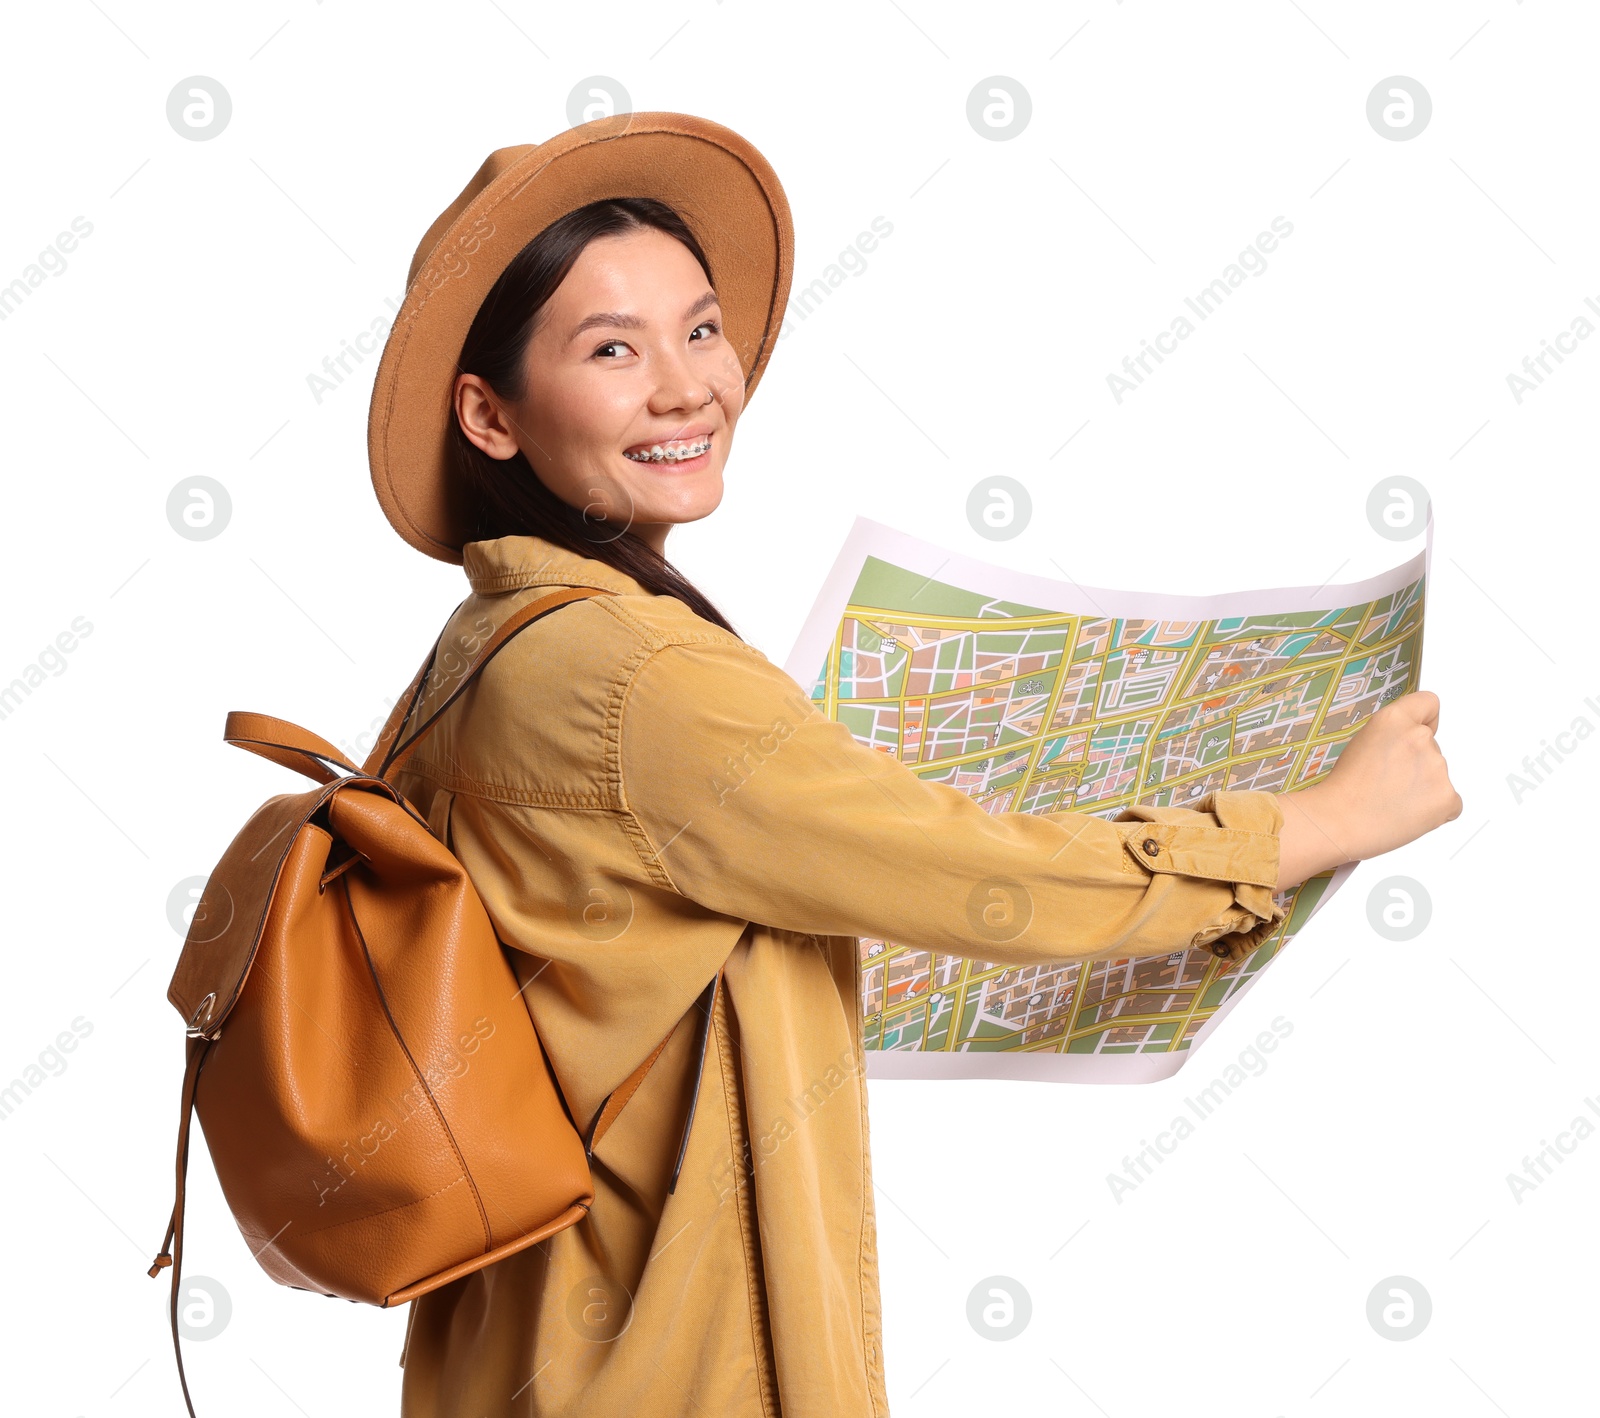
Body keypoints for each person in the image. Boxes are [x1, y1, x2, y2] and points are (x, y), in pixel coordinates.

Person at [365, 114, 1461, 1418]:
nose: (688, 386)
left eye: (700, 328)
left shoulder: (485, 649)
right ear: (488, 414)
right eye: (612, 348)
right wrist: (1309, 823)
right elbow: (962, 866)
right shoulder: (630, 673)